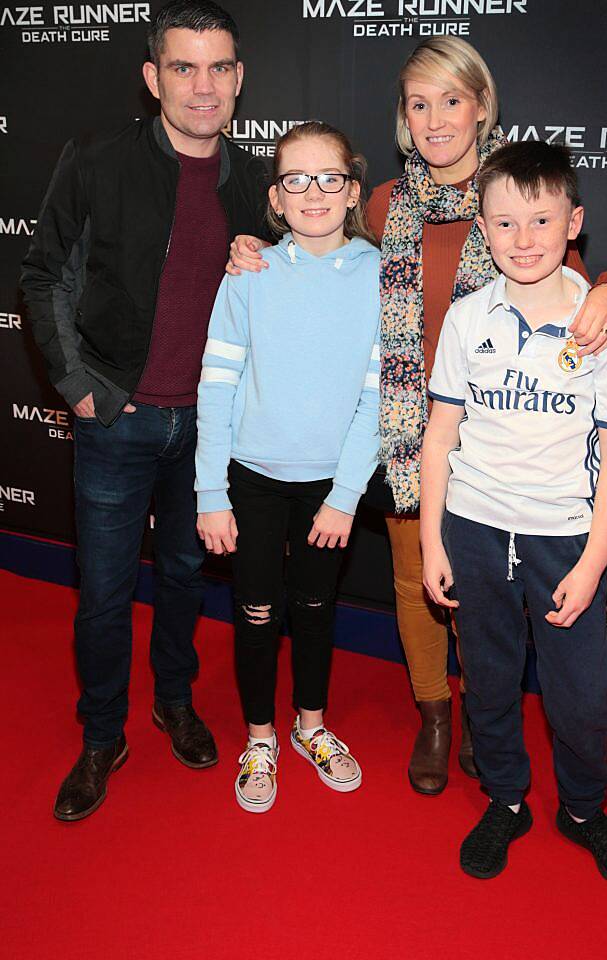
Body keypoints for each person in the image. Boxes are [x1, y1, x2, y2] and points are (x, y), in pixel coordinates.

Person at [225, 36, 607, 796]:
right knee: (417, 580)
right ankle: (436, 714)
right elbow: (317, 256)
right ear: (402, 118)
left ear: (481, 106)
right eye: (419, 103)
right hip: (412, 434)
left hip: (506, 438)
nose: (435, 118)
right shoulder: (382, 203)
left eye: (451, 99)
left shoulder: (516, 191)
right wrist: (251, 247)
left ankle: (486, 719)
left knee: (482, 598)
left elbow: (576, 281)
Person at [20, 0, 271, 821]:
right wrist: (83, 389)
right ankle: (101, 736)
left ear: (238, 77)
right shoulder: (96, 159)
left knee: (186, 577)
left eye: (219, 67)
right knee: (100, 591)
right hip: (118, 418)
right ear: (151, 76)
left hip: (206, 427)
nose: (203, 86)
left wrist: (261, 262)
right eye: (183, 66)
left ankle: (173, 701)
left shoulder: (257, 186)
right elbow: (45, 275)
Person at [420, 140, 607, 891]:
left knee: (581, 699)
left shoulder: (604, 328)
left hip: (563, 541)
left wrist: (592, 566)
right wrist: (430, 542)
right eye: (505, 223)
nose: (524, 240)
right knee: (485, 682)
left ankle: (582, 811)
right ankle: (506, 799)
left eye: (541, 220)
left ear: (572, 221)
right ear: (482, 229)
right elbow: (441, 435)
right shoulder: (464, 319)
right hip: (474, 530)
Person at [195, 121, 380, 813]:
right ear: (274, 198)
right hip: (249, 477)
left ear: (352, 189)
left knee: (313, 607)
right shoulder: (251, 274)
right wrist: (210, 491)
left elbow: (375, 394)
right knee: (255, 609)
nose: (313, 192)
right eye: (295, 180)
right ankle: (260, 737)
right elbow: (215, 385)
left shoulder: (377, 273)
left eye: (329, 178)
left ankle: (310, 727)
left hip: (328, 486)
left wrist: (345, 494)